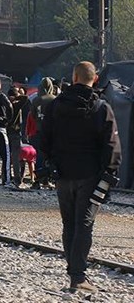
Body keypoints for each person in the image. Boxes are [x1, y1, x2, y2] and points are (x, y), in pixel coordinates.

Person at [41, 61, 120, 293]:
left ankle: (74, 272)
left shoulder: (55, 106)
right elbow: (112, 146)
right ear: (95, 79)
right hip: (90, 175)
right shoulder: (102, 108)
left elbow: (43, 140)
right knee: (84, 225)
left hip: (63, 175)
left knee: (69, 224)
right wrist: (108, 175)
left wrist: (49, 166)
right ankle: (78, 276)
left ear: (74, 77)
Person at [29, 77, 56, 190]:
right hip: (52, 133)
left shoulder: (36, 100)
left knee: (39, 157)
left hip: (39, 132)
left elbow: (33, 116)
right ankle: (48, 180)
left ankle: (36, 181)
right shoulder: (54, 99)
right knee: (50, 157)